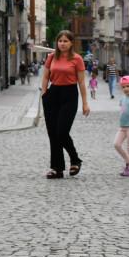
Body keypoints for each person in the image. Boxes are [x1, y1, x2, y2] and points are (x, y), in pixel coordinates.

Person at [41, 30, 90, 179]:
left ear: (71, 43)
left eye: (65, 41)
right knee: (52, 134)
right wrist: (44, 95)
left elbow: (81, 82)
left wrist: (85, 103)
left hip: (69, 95)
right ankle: (57, 168)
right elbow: (45, 77)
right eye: (60, 41)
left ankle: (75, 159)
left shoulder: (77, 59)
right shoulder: (51, 57)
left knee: (61, 131)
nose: (62, 44)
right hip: (52, 94)